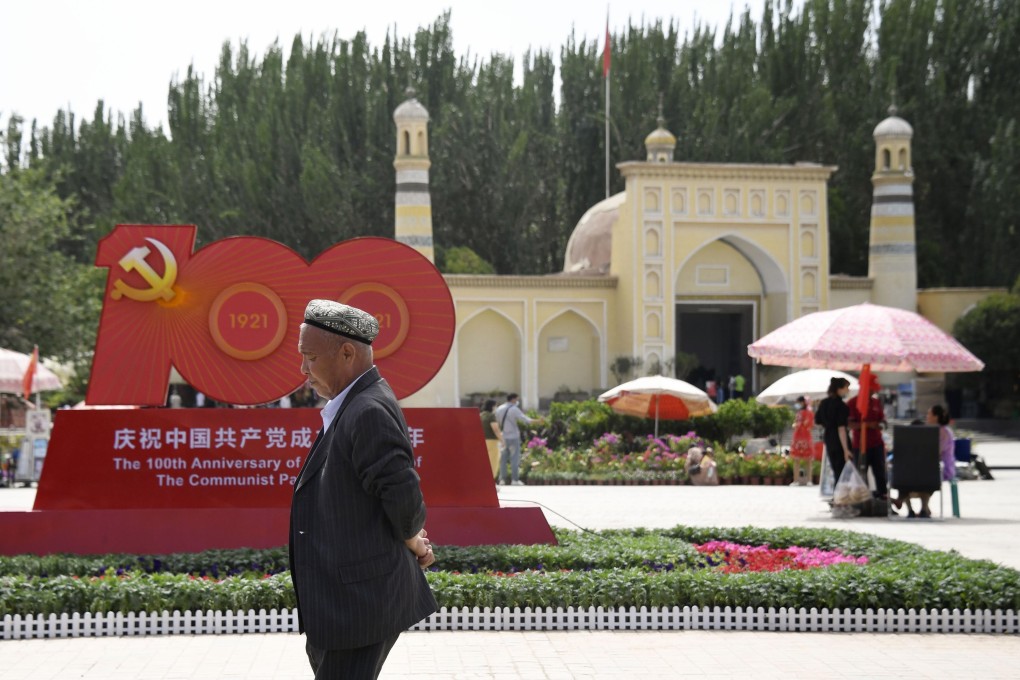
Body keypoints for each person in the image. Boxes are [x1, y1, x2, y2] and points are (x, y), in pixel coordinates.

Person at [290, 299, 437, 679]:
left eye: (310, 357)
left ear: (347, 352)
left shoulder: (367, 409)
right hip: (344, 605)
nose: (303, 370)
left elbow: (403, 498)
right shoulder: (352, 404)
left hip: (358, 606)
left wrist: (414, 541)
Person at [894, 404, 956, 518]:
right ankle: (922, 508)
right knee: (910, 473)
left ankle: (908, 502)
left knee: (915, 475)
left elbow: (935, 452)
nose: (926, 416)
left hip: (941, 467)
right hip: (928, 465)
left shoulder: (943, 432)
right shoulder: (933, 430)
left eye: (929, 414)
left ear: (936, 417)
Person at [848, 378, 889, 500]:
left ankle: (883, 497)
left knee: (880, 473)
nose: (873, 391)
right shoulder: (852, 403)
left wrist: (880, 425)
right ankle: (862, 499)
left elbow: (883, 421)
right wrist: (866, 425)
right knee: (860, 474)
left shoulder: (876, 402)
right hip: (859, 445)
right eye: (871, 389)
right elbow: (850, 424)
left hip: (877, 444)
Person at [814, 377, 854, 485]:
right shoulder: (842, 406)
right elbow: (841, 429)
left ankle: (837, 495)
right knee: (842, 470)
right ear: (839, 389)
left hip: (829, 438)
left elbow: (817, 421)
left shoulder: (824, 403)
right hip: (840, 441)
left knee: (835, 469)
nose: (848, 390)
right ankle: (840, 496)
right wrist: (846, 449)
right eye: (846, 387)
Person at [494, 392, 539, 486]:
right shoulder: (514, 409)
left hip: (503, 437)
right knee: (514, 458)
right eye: (517, 399)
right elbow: (526, 420)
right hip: (513, 436)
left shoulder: (499, 409)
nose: (517, 401)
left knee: (503, 459)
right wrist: (537, 421)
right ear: (513, 399)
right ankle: (514, 480)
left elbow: (496, 422)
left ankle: (502, 480)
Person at [789, 396, 815, 486]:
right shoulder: (799, 412)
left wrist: (797, 424)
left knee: (808, 460)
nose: (797, 404)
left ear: (802, 402)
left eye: (798, 402)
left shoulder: (809, 413)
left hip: (805, 436)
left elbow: (808, 424)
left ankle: (809, 480)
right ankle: (796, 480)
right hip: (798, 436)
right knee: (797, 460)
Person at [480, 399, 500, 479]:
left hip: (482, 441)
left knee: (484, 463)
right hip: (492, 441)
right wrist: (502, 440)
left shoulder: (481, 415)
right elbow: (495, 429)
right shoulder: (491, 416)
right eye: (496, 406)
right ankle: (491, 481)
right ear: (492, 406)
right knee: (493, 462)